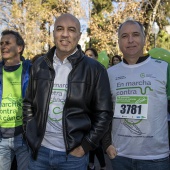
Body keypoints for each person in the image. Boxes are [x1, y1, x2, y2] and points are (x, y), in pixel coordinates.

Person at [23, 13, 113, 170]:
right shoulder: (38, 65)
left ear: (79, 36)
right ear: (53, 34)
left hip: (73, 157)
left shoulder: (95, 69)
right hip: (39, 153)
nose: (65, 34)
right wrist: (30, 136)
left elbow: (104, 113)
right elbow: (28, 104)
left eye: (71, 30)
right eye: (60, 29)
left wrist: (85, 146)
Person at [105, 20, 170, 170]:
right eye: (124, 36)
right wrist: (106, 144)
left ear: (144, 38)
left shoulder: (164, 68)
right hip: (120, 157)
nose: (130, 40)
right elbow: (103, 112)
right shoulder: (109, 74)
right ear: (119, 41)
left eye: (135, 35)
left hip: (155, 159)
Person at [0, 30, 31, 170]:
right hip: (1, 137)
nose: (3, 46)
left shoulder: (31, 71)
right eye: (1, 43)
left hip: (23, 136)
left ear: (19, 48)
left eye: (8, 43)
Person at [85, 48, 106, 170]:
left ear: (96, 57)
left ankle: (102, 165)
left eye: (91, 55)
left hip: (96, 113)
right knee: (87, 141)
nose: (88, 57)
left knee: (95, 141)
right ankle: (91, 164)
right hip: (84, 113)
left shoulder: (100, 71)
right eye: (86, 55)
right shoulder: (79, 71)